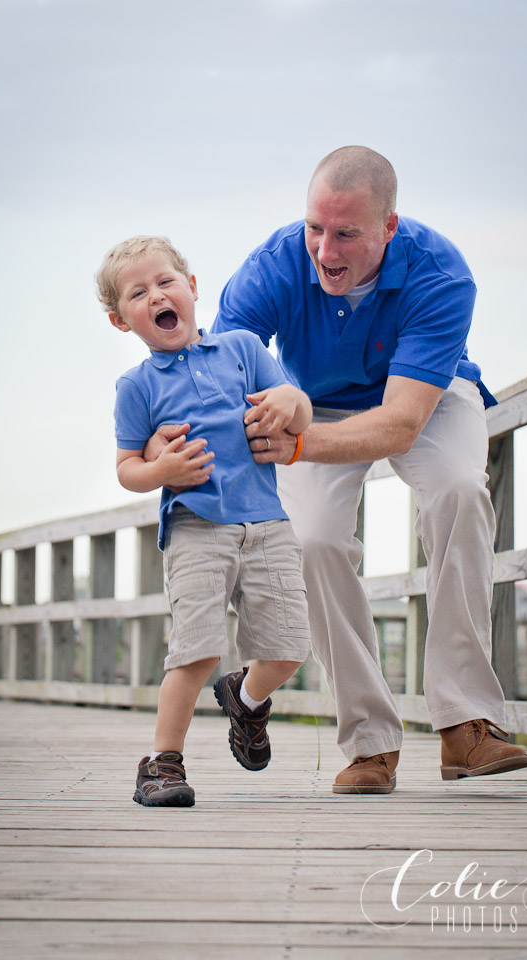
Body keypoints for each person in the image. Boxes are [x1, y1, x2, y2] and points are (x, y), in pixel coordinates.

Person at [206, 145, 527, 793]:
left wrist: (296, 447)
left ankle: (466, 722)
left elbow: (402, 422)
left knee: (460, 491)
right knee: (314, 540)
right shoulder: (271, 266)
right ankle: (370, 742)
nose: (325, 251)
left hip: (423, 395)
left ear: (389, 226)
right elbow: (221, 374)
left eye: (347, 234)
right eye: (315, 228)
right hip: (314, 400)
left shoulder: (441, 272)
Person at [96, 235, 312, 806]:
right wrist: (160, 469)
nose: (156, 296)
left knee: (290, 646)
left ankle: (247, 698)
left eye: (166, 282)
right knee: (196, 652)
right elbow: (127, 468)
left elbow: (299, 410)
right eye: (138, 293)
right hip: (195, 526)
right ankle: (162, 764)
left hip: (267, 523)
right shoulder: (137, 387)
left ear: (191, 288)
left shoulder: (243, 348)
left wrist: (291, 405)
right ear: (121, 320)